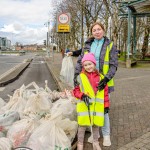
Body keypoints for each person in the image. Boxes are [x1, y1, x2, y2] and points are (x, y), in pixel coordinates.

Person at [74, 22, 118, 146]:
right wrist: (75, 77)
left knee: (103, 110)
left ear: (103, 30)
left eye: (99, 29)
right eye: (94, 30)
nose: (97, 32)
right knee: (91, 109)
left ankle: (106, 135)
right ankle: (95, 134)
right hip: (88, 82)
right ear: (91, 32)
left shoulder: (110, 45)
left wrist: (106, 79)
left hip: (104, 82)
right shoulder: (87, 45)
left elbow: (114, 65)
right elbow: (79, 62)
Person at [73, 53, 109, 150]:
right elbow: (75, 91)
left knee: (96, 126)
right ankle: (80, 144)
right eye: (85, 65)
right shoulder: (80, 77)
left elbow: (105, 93)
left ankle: (95, 142)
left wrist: (106, 105)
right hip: (85, 106)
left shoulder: (101, 77)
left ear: (94, 64)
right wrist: (82, 95)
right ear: (83, 66)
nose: (88, 67)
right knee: (82, 126)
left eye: (90, 64)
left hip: (97, 107)